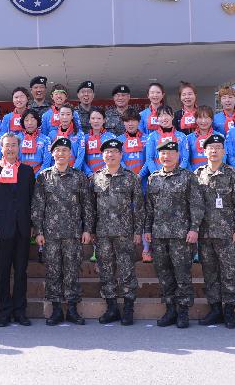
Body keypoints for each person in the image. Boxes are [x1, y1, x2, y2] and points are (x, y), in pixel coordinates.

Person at [32, 137, 95, 326]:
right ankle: (57, 310)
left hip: (73, 233)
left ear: (71, 154)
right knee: (53, 271)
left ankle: (73, 310)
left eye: (65, 151)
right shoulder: (43, 177)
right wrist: (39, 231)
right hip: (50, 234)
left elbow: (87, 206)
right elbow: (37, 206)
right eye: (57, 150)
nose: (61, 154)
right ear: (52, 154)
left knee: (72, 271)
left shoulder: (79, 176)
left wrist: (87, 229)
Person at [144, 139, 204, 329]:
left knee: (182, 274)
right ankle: (170, 309)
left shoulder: (187, 177)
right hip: (159, 235)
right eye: (163, 153)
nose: (166, 156)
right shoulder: (153, 178)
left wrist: (194, 228)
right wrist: (147, 229)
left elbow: (196, 205)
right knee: (164, 274)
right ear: (158, 156)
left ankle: (183, 311)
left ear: (178, 156)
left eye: (170, 153)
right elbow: (149, 208)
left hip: (181, 235)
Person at [193, 134, 235, 329]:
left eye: (218, 147)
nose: (214, 151)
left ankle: (230, 311)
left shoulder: (233, 174)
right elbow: (193, 204)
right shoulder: (198, 174)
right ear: (204, 151)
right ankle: (215, 309)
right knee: (210, 273)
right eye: (211, 148)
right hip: (205, 234)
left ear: (224, 151)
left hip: (228, 234)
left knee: (229, 273)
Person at [0, 133, 35, 327]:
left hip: (23, 230)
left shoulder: (27, 171)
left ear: (19, 147)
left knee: (21, 272)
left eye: (14, 145)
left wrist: (32, 225)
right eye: (7, 146)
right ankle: (4, 312)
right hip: (1, 230)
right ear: (1, 148)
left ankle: (20, 312)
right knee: (3, 273)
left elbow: (32, 201)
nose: (11, 149)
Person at [91, 138, 143, 326]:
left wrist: (138, 230)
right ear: (102, 155)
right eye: (107, 152)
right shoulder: (96, 177)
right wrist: (91, 229)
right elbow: (91, 208)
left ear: (121, 155)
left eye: (114, 151)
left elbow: (138, 207)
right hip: (103, 233)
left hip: (124, 232)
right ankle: (111, 307)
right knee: (105, 270)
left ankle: (128, 308)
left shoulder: (131, 177)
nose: (110, 155)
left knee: (127, 270)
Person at [118, 108, 151, 263]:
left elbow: (149, 159)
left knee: (143, 216)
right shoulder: (119, 139)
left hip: (143, 182)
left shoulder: (147, 138)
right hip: (125, 183)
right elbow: (119, 160)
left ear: (138, 122)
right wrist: (130, 175)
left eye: (133, 120)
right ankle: (127, 249)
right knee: (126, 215)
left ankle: (146, 249)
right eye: (127, 121)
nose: (130, 124)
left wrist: (140, 175)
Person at [144, 105, 190, 175]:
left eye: (166, 115)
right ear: (157, 118)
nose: (164, 118)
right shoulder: (152, 136)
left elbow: (185, 158)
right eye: (160, 116)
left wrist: (178, 174)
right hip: (159, 176)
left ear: (172, 116)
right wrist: (156, 175)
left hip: (178, 176)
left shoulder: (182, 136)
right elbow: (149, 159)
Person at [46, 104, 85, 172]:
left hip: (74, 172)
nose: (65, 117)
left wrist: (74, 171)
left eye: (68, 114)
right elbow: (49, 155)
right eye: (62, 114)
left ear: (72, 116)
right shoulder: (52, 134)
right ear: (58, 116)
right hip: (56, 172)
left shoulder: (79, 134)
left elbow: (80, 156)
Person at [82, 107, 117, 177]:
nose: (96, 121)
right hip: (88, 177)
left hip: (107, 176)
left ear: (104, 120)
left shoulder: (111, 137)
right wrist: (89, 173)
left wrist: (104, 173)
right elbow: (82, 158)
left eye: (99, 118)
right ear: (89, 120)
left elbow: (116, 158)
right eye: (93, 118)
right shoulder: (84, 138)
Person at [17, 109, 51, 176]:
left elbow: (46, 163)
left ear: (37, 121)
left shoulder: (46, 139)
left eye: (33, 120)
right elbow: (14, 160)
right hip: (20, 176)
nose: (30, 123)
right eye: (26, 120)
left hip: (40, 177)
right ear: (22, 122)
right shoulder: (16, 139)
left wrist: (37, 177)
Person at [186, 105, 217, 172]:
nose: (203, 121)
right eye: (200, 117)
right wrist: (192, 174)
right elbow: (186, 159)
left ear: (212, 120)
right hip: (194, 175)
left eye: (206, 118)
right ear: (196, 119)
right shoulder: (189, 138)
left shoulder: (219, 137)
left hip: (214, 174)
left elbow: (223, 158)